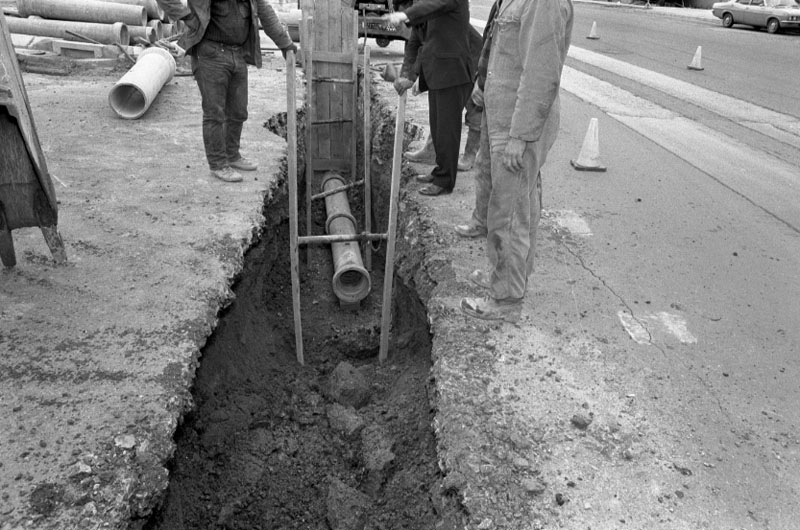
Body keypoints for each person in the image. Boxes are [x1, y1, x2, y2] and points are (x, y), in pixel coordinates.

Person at [460, 0, 574, 322]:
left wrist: (520, 137)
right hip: (504, 118)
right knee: (517, 203)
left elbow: (541, 74)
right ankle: (509, 275)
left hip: (518, 125)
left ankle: (506, 299)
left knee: (508, 213)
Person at [158, 0, 298, 182]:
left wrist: (286, 45)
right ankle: (218, 164)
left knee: (239, 111)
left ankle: (232, 155)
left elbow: (267, 14)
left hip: (237, 54)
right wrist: (188, 17)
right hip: (210, 54)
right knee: (214, 112)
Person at [384, 0, 474, 196]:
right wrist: (408, 75)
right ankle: (439, 170)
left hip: (454, 71)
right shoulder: (427, 8)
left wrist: (405, 15)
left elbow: (432, 6)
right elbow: (414, 43)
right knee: (438, 127)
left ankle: (445, 180)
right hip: (438, 73)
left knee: (448, 130)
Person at [404, 24, 483, 172]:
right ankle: (431, 150)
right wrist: (412, 75)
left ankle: (469, 156)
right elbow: (416, 49)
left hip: (473, 59)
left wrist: (421, 80)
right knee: (442, 108)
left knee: (474, 107)